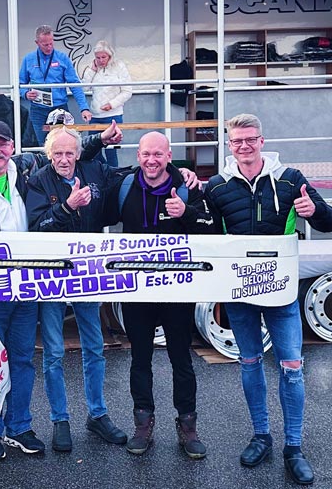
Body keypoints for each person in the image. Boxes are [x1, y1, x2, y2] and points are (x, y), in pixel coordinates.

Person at [0, 119, 121, 461]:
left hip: (27, 285)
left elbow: (70, 151)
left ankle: (20, 427)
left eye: (3, 144)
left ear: (13, 148)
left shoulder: (22, 169)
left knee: (23, 359)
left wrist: (100, 138)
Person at [204, 113, 332, 485]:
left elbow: (331, 221)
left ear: (262, 141)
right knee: (249, 364)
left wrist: (317, 211)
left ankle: (293, 446)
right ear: (229, 145)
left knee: (291, 369)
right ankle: (261, 435)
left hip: (281, 294)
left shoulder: (291, 179)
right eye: (237, 141)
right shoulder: (216, 186)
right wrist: (187, 207)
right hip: (240, 293)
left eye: (250, 139)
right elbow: (206, 235)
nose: (244, 146)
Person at [25, 127, 129, 452]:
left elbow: (126, 177)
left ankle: (97, 414)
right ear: (49, 154)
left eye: (70, 153)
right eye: (58, 154)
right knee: (54, 353)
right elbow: (34, 225)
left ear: (78, 153)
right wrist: (67, 207)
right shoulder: (39, 179)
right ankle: (60, 419)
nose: (65, 159)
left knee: (95, 348)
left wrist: (175, 172)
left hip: (88, 270)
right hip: (53, 274)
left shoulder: (93, 169)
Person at [115, 131, 217, 459]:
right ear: (139, 155)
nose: (151, 160)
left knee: (181, 358)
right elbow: (92, 213)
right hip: (137, 289)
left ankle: (188, 426)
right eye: (146, 154)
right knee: (140, 359)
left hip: (177, 288)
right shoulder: (126, 186)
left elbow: (213, 227)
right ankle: (143, 423)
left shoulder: (189, 187)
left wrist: (184, 212)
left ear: (169, 155)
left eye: (158, 154)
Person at [19, 25, 92, 145]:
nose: (49, 47)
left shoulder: (62, 58)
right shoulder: (28, 59)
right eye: (45, 44)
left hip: (60, 108)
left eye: (51, 43)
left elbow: (74, 84)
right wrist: (25, 94)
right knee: (43, 146)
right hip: (38, 110)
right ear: (37, 42)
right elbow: (20, 84)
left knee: (62, 143)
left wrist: (84, 108)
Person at [82, 40, 132, 167]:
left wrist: (112, 104)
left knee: (111, 151)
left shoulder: (119, 67)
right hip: (95, 116)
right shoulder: (93, 69)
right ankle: (102, 172)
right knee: (93, 150)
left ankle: (113, 174)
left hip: (113, 116)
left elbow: (127, 91)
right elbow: (83, 88)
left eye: (103, 57)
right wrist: (92, 70)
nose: (100, 60)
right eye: (97, 57)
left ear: (110, 56)